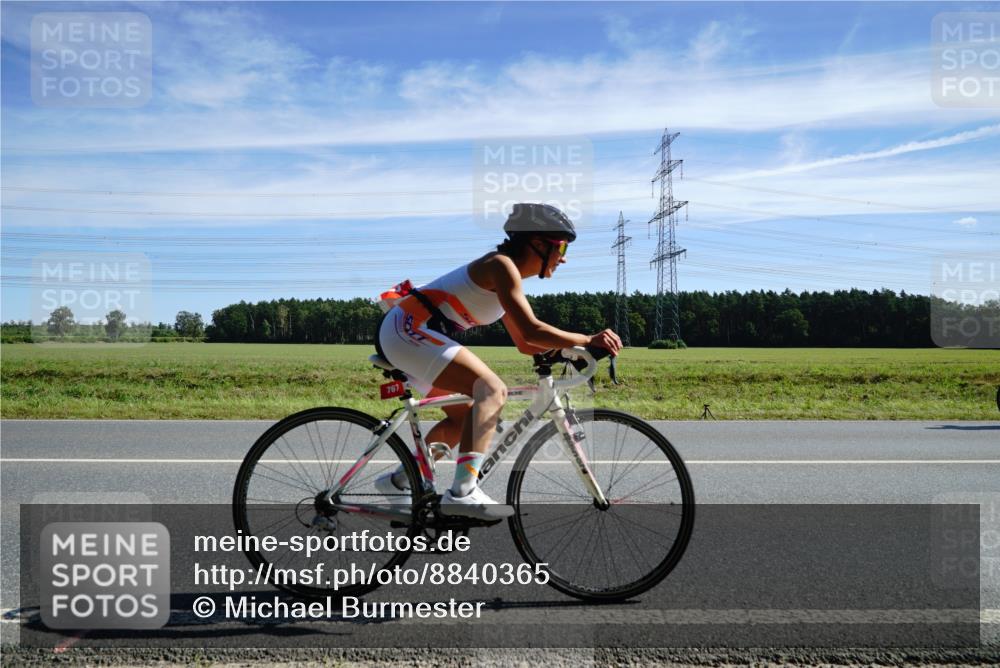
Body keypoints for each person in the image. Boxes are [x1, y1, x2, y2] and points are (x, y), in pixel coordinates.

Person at [374, 203, 623, 520]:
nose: (564, 257)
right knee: (491, 389)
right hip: (407, 330)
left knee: (463, 420)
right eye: (560, 246)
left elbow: (525, 342)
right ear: (537, 243)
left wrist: (566, 352)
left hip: (411, 336)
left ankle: (399, 481)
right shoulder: (500, 265)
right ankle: (462, 492)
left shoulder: (507, 276)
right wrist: (587, 339)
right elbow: (533, 329)